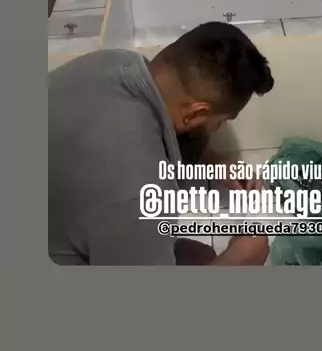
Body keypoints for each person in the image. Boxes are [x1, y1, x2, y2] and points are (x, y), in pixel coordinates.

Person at [48, 22, 274, 266]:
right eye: (221, 121)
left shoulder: (113, 63)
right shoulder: (141, 197)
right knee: (207, 257)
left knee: (194, 255)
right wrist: (241, 259)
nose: (219, 127)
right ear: (195, 114)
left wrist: (215, 161)